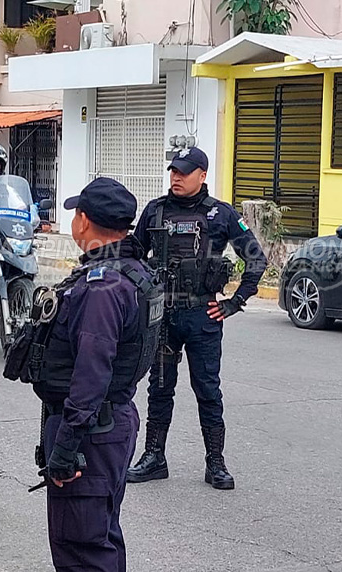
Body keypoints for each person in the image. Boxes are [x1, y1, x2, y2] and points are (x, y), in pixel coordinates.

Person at [31, 177, 161, 572]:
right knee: (100, 542)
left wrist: (66, 446)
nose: (72, 221)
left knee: (83, 555)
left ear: (85, 220)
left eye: (75, 213)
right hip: (112, 425)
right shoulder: (132, 273)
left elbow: (90, 376)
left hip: (93, 432)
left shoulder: (103, 287)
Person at [126, 147, 268, 491]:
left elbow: (256, 259)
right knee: (159, 389)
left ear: (202, 175)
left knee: (208, 390)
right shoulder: (155, 210)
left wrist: (234, 303)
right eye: (173, 171)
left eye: (184, 172)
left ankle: (215, 463)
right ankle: (154, 457)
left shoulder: (221, 214)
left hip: (202, 316)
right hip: (162, 318)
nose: (175, 177)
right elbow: (133, 253)